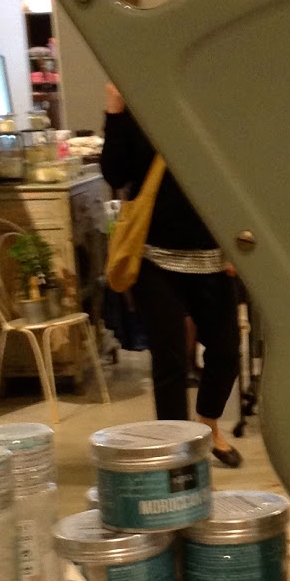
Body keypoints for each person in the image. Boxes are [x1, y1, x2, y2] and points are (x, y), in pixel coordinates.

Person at [100, 84, 242, 466]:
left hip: (212, 254)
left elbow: (238, 179)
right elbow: (114, 172)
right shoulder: (139, 108)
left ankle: (208, 426)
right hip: (154, 255)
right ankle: (177, 449)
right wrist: (114, 111)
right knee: (170, 360)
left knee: (226, 351)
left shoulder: (214, 107)